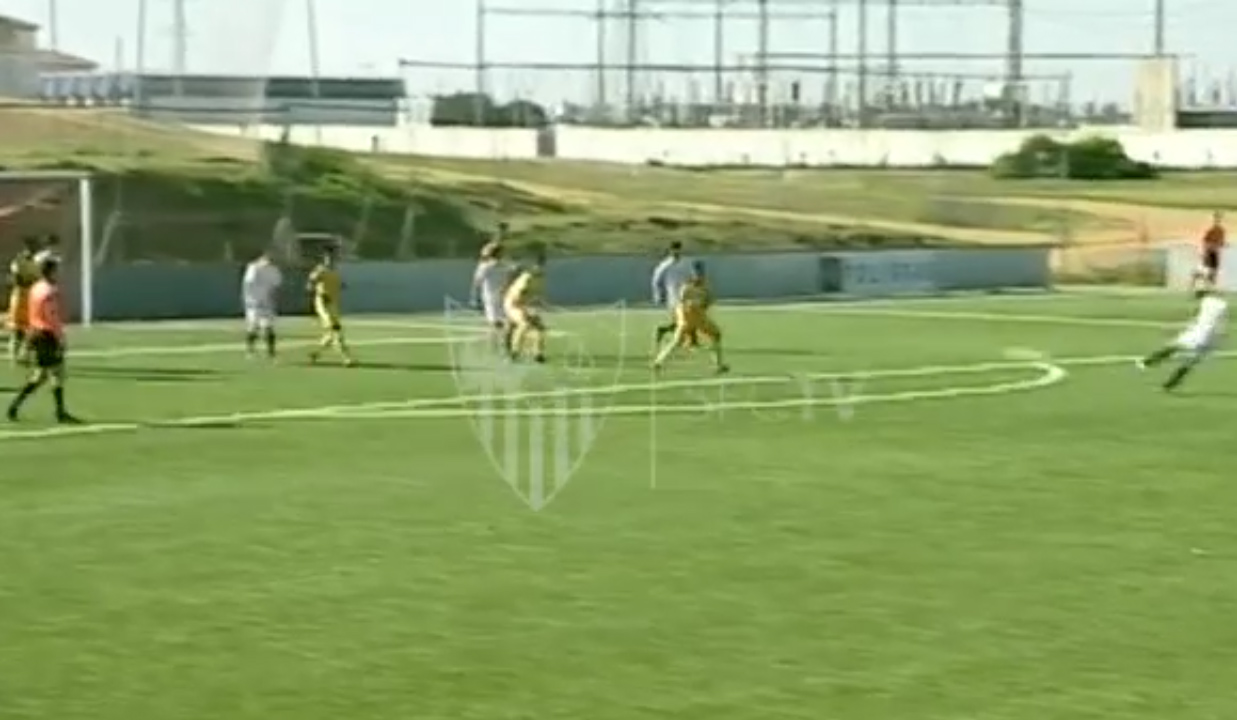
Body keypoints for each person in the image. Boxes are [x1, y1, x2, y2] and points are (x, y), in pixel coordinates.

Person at [7, 255, 79, 423]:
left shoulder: (36, 288)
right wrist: (60, 337)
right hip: (47, 335)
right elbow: (51, 316)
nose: (59, 272)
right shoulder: (49, 291)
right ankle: (59, 412)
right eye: (56, 269)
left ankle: (15, 407)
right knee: (54, 373)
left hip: (36, 333)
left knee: (44, 375)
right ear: (51, 271)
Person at [1137, 285, 1227, 391]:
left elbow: (1198, 313)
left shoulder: (1206, 301)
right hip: (1212, 339)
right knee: (1188, 363)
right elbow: (1215, 322)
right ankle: (1168, 385)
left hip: (1199, 334)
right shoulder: (1220, 304)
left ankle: (1147, 362)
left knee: (1173, 347)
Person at [652, 260, 728, 374]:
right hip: (692, 317)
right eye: (698, 272)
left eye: (700, 272)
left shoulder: (700, 287)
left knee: (677, 341)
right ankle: (718, 365)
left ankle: (658, 362)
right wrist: (690, 312)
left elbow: (707, 302)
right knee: (715, 335)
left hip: (693, 318)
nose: (700, 275)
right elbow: (684, 302)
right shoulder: (690, 287)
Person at [306, 249, 355, 367]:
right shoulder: (320, 270)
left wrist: (341, 286)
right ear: (324, 258)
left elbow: (340, 284)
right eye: (328, 257)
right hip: (323, 304)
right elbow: (310, 283)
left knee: (331, 333)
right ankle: (346, 358)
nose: (331, 260)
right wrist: (318, 292)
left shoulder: (335, 271)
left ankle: (316, 353)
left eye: (333, 257)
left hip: (333, 304)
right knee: (336, 329)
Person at [503, 251, 547, 363]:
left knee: (539, 328)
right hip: (512, 304)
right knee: (524, 324)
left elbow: (536, 294)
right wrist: (525, 310)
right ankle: (514, 352)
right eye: (537, 265)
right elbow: (518, 296)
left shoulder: (539, 277)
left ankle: (538, 354)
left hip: (521, 304)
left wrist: (538, 302)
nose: (539, 267)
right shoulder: (526, 278)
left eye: (541, 264)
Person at [651, 241, 696, 347]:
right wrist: (658, 295)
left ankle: (688, 340)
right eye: (674, 250)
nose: (676, 252)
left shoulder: (686, 263)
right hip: (673, 297)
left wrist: (694, 289)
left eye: (678, 249)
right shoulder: (665, 265)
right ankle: (678, 338)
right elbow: (656, 280)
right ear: (670, 251)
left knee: (688, 318)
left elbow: (692, 277)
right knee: (682, 320)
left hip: (686, 296)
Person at [241, 250, 283, 359]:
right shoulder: (254, 268)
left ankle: (270, 352)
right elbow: (248, 285)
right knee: (254, 326)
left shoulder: (273, 270)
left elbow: (276, 287)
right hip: (254, 302)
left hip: (266, 302)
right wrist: (249, 300)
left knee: (267, 326)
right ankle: (251, 350)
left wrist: (273, 299)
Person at [471, 241, 513, 350]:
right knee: (495, 323)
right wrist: (475, 298)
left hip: (505, 297)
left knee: (508, 322)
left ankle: (506, 346)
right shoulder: (485, 266)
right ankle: (495, 346)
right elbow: (477, 282)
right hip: (491, 298)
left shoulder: (505, 265)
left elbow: (509, 279)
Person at [5, 236, 40, 366]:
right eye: (32, 246)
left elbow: (38, 278)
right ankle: (14, 356)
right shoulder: (18, 262)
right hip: (20, 296)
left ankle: (24, 355)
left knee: (32, 328)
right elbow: (17, 279)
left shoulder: (36, 262)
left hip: (32, 297)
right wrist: (30, 280)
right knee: (17, 329)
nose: (34, 249)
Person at [1199, 211, 1225, 285]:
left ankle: (1210, 282)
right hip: (1210, 251)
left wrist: (1220, 245)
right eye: (1216, 219)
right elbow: (1205, 241)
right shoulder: (1212, 230)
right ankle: (1207, 282)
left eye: (1218, 219)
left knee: (1213, 268)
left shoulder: (1221, 231)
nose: (1218, 221)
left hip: (1213, 252)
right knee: (1209, 268)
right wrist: (1206, 250)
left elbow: (1221, 242)